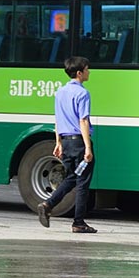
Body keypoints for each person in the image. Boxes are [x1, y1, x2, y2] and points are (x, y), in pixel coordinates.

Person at [36, 55, 97, 233]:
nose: (89, 71)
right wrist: (87, 147)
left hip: (67, 143)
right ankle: (78, 222)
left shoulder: (60, 92)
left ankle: (48, 204)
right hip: (79, 143)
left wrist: (58, 142)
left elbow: (58, 119)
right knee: (82, 183)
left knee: (71, 178)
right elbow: (83, 121)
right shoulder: (82, 93)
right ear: (79, 73)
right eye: (87, 69)